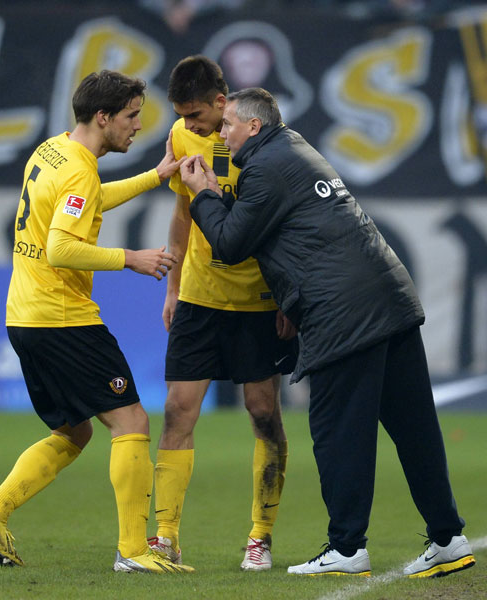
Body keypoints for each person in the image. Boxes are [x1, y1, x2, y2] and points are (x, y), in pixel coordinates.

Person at [180, 86, 475, 578]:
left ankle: (346, 547)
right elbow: (304, 238)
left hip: (345, 313)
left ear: (253, 126)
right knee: (414, 428)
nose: (221, 133)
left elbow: (231, 244)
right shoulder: (293, 148)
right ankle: (447, 537)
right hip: (388, 297)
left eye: (228, 124)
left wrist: (204, 195)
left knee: (338, 431)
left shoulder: (265, 166)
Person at [0, 70, 194, 574]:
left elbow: (89, 200)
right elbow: (61, 247)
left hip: (24, 315)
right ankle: (134, 552)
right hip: (62, 318)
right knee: (131, 421)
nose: (138, 126)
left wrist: (155, 176)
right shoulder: (78, 171)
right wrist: (131, 257)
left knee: (76, 431)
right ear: (104, 117)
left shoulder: (52, 151)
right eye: (132, 117)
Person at [147, 55, 296, 572]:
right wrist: (172, 287)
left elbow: (283, 227)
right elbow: (184, 212)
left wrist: (285, 298)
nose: (188, 126)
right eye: (181, 116)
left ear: (221, 101)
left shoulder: (265, 143)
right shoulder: (182, 137)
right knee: (176, 411)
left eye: (197, 115)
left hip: (257, 302)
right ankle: (164, 536)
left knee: (262, 413)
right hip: (199, 298)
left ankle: (261, 535)